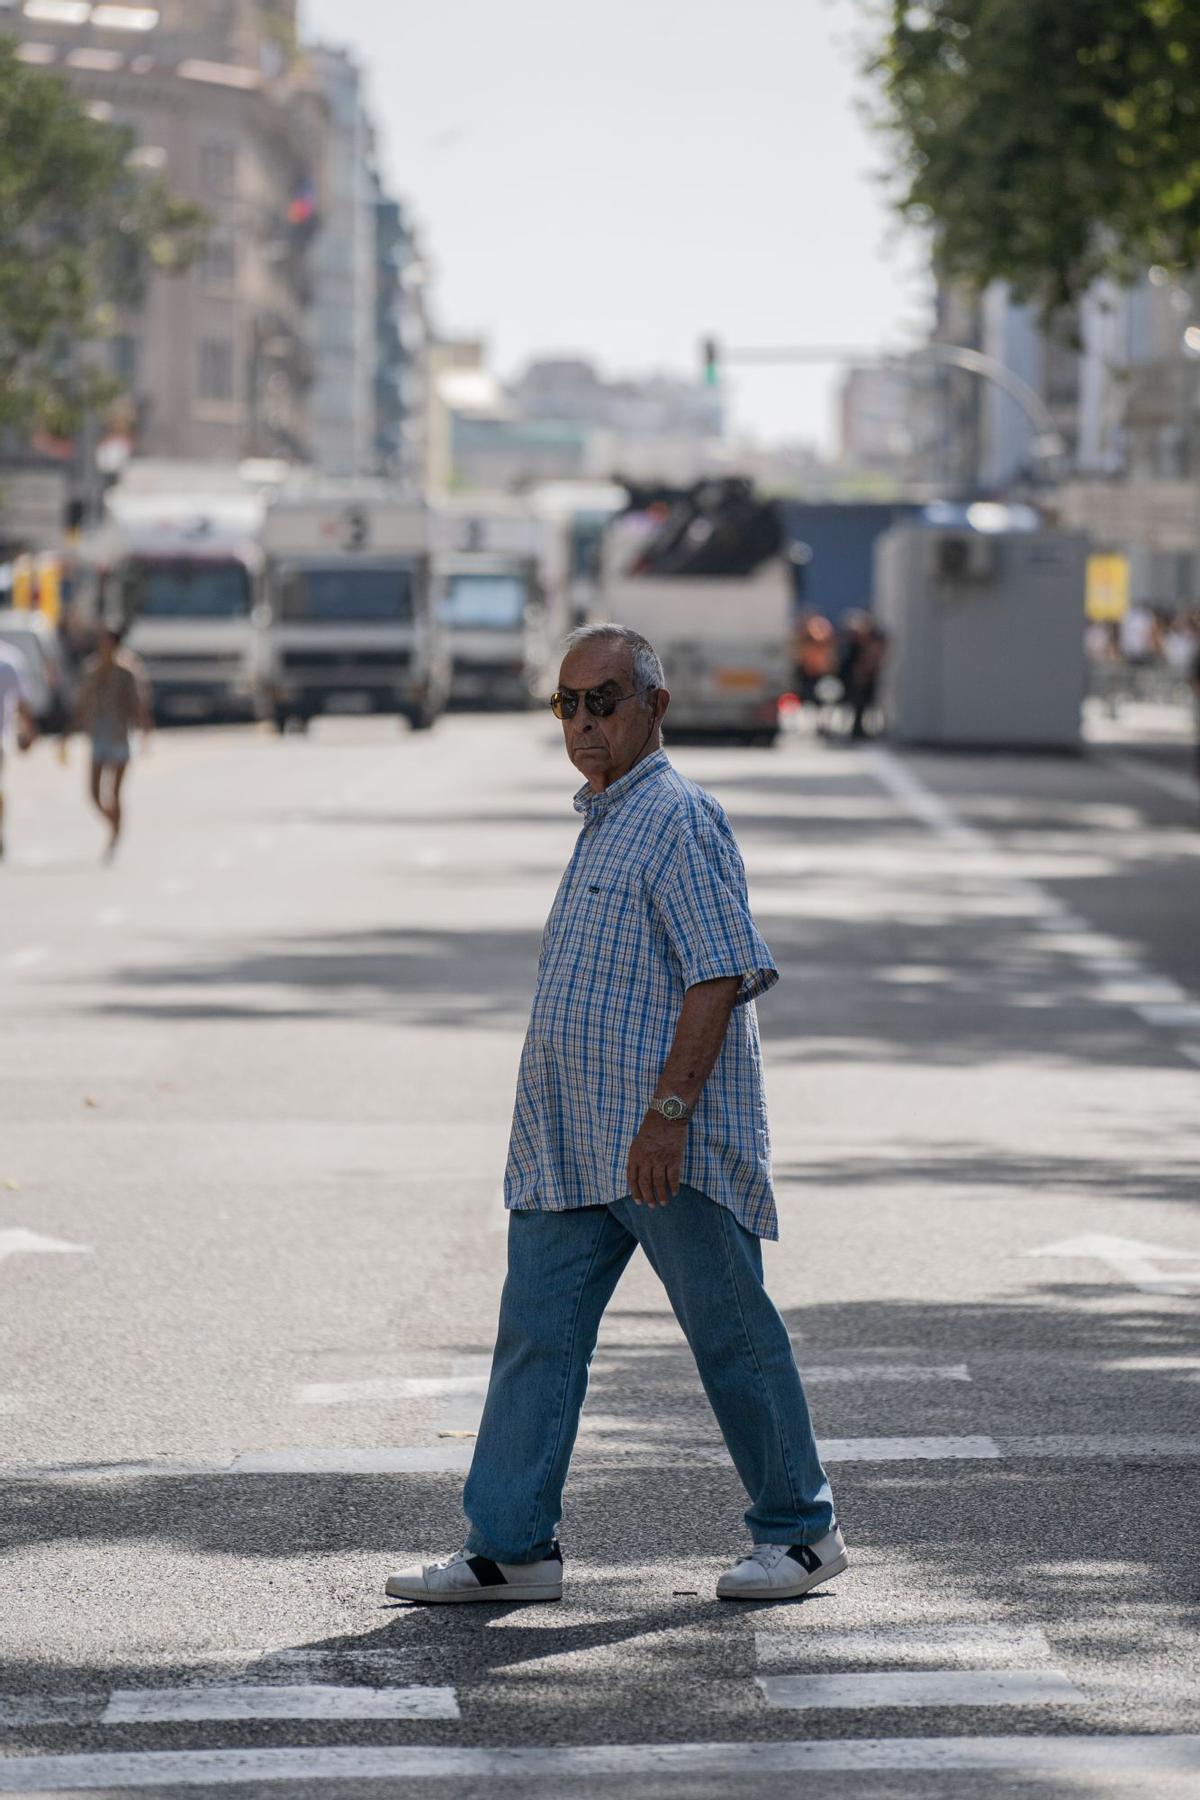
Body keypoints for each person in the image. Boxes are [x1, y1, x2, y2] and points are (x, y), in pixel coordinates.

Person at [386, 623, 844, 1605]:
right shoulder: (605, 816)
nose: (585, 722)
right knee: (535, 1340)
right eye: (568, 704)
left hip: (659, 1148)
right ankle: (511, 1547)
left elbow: (720, 974)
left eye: (605, 700)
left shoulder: (679, 816)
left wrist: (670, 1113)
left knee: (731, 1332)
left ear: (655, 708)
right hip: (570, 1144)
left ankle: (802, 1534)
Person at [70, 624, 152, 860]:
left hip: (119, 737)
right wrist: (67, 734)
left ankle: (115, 834)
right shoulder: (92, 669)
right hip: (98, 736)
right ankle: (112, 824)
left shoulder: (127, 671)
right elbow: (82, 703)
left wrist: (145, 731)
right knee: (94, 793)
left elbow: (139, 705)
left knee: (114, 792)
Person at [0, 638, 38, 862]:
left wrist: (28, 730)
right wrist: (29, 730)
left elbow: (22, 702)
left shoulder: (8, 660)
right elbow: (23, 703)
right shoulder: (10, 658)